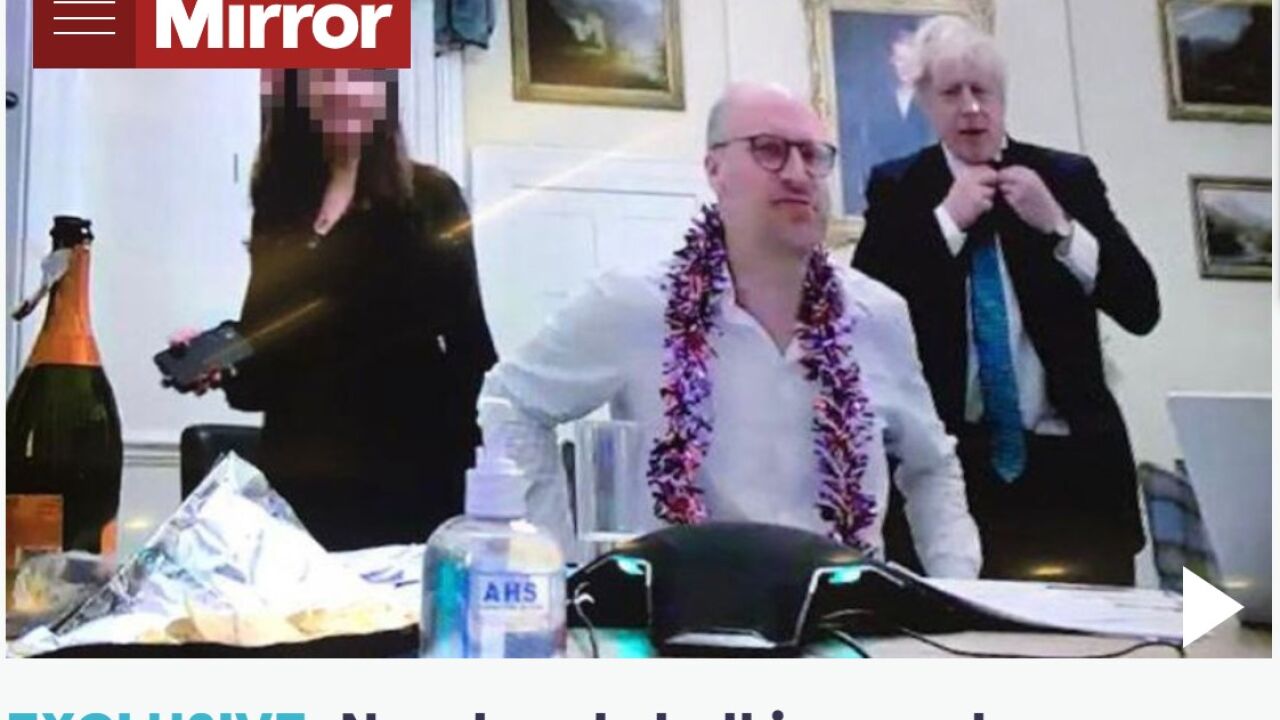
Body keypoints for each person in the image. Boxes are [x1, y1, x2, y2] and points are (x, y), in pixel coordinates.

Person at [481, 83, 981, 578]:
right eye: (770, 150)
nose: (798, 173)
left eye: (813, 155)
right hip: (682, 612)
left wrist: (956, 591)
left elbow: (931, 466)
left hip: (843, 611)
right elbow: (512, 401)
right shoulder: (634, 305)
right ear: (715, 169)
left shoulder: (878, 315)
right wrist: (549, 566)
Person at [852, 17, 1160, 585]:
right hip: (949, 474)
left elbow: (1141, 307)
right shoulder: (898, 186)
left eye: (983, 91)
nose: (971, 108)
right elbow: (865, 314)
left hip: (1070, 473)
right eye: (951, 92)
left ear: (1002, 97)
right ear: (925, 102)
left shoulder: (1066, 177)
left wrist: (1061, 227)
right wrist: (947, 222)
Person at [171, 69, 497, 550]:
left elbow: (470, 345)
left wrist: (466, 472)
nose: (342, 91)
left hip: (408, 481)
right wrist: (220, 359)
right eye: (324, 77)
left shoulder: (430, 198)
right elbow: (267, 344)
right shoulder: (280, 208)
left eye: (360, 77)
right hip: (300, 476)